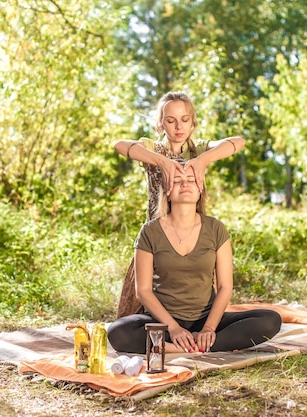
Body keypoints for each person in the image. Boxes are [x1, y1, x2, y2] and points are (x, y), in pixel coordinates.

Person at [107, 168, 281, 354]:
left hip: (206, 319)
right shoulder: (149, 231)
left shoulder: (216, 228)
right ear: (167, 190)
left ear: (200, 190)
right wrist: (173, 328)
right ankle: (191, 348)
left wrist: (208, 329)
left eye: (191, 179)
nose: (185, 184)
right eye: (177, 180)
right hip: (162, 322)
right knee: (118, 332)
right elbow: (143, 291)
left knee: (270, 319)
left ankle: (192, 345)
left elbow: (224, 286)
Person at [114, 91, 246, 318]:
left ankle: (199, 328)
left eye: (185, 119)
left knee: (195, 301)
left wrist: (203, 160)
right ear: (161, 124)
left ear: (193, 122)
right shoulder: (153, 149)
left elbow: (239, 142)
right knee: (131, 317)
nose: (178, 127)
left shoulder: (200, 149)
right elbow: (120, 145)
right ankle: (165, 334)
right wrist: (161, 161)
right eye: (171, 120)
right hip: (155, 239)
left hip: (194, 235)